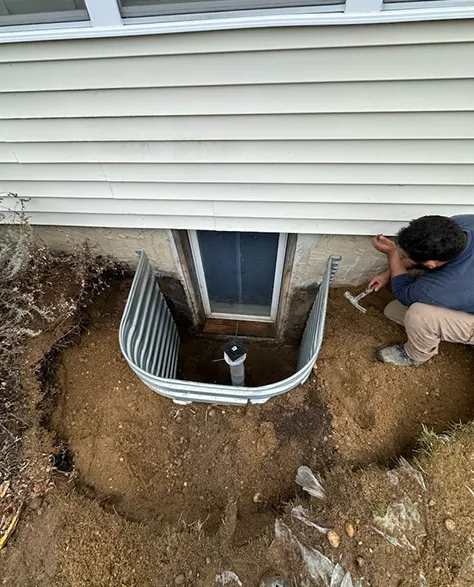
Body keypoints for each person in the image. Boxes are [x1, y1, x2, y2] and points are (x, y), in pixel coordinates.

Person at [369, 215, 474, 366]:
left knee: (418, 316)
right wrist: (386, 273)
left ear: (431, 264)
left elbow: (403, 293)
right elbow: (416, 261)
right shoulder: (460, 225)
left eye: (403, 255)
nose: (401, 257)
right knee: (394, 311)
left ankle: (415, 356)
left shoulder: (440, 287)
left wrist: (392, 255)